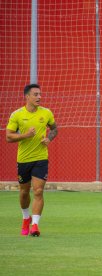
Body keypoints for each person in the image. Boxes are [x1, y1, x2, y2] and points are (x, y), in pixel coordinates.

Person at [6, 84, 58, 237]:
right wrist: (25, 135)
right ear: (27, 96)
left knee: (39, 191)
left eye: (40, 94)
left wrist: (49, 138)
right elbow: (9, 137)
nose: (39, 97)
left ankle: (35, 225)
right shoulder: (17, 115)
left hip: (41, 158)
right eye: (35, 94)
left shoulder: (46, 113)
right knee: (24, 192)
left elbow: (55, 129)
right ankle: (25, 218)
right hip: (23, 159)